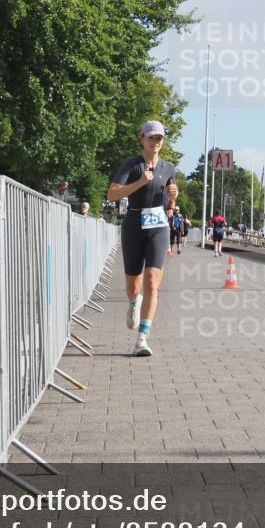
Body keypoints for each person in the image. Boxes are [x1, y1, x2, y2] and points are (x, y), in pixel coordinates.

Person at [106, 120, 178, 356]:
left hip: (158, 227)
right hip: (134, 226)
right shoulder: (132, 164)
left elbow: (169, 202)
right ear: (142, 139)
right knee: (133, 285)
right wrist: (139, 183)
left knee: (152, 283)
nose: (156, 142)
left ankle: (142, 338)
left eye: (159, 138)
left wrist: (173, 198)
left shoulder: (168, 168)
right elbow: (112, 193)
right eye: (151, 138)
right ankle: (133, 303)